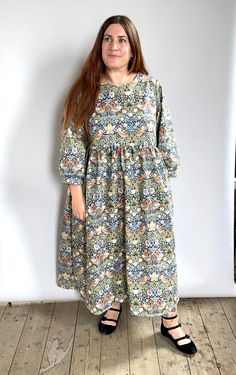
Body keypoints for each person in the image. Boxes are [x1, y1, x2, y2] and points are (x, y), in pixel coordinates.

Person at [57, 15, 197, 355]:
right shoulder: (85, 91)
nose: (114, 46)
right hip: (101, 193)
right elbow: (73, 143)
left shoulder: (152, 89)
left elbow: (167, 138)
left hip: (147, 193)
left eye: (121, 40)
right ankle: (113, 304)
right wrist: (77, 195)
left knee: (157, 257)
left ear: (133, 49)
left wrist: (163, 182)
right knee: (110, 252)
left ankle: (170, 321)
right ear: (100, 46)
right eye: (108, 39)